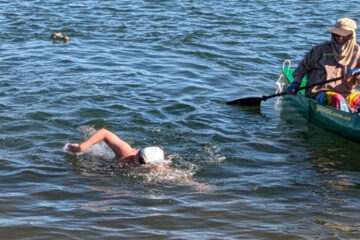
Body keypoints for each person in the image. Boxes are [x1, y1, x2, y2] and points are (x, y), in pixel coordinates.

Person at [287, 17, 360, 113]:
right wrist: (295, 83)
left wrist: (356, 73)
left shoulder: (357, 52)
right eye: (336, 34)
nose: (340, 37)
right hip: (319, 92)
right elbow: (302, 67)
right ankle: (349, 118)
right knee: (336, 99)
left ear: (352, 35)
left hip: (347, 93)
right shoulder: (320, 50)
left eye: (344, 34)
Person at [64, 128, 165, 168]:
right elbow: (104, 133)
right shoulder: (126, 151)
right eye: (138, 154)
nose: (136, 159)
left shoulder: (151, 168)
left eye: (141, 160)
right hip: (104, 161)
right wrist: (81, 147)